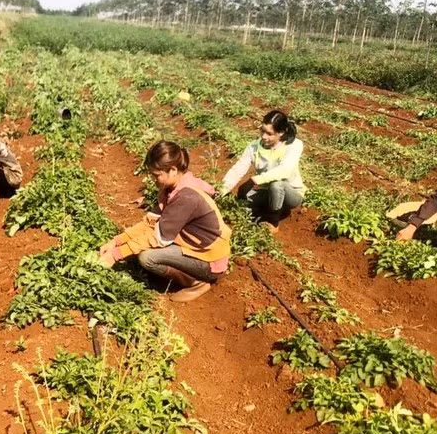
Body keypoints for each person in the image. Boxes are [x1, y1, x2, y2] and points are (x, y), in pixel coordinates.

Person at [99, 141, 232, 302]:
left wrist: (117, 255)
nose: (153, 179)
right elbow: (150, 222)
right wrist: (116, 241)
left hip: (210, 262)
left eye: (156, 175)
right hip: (193, 247)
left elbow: (159, 237)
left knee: (147, 257)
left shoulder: (186, 197)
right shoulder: (171, 189)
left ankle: (196, 283)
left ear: (173, 170)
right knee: (143, 250)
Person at [221, 110, 305, 233]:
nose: (264, 136)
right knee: (239, 202)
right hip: (267, 192)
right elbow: (238, 169)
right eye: (262, 131)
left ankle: (273, 222)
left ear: (281, 133)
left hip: (291, 194)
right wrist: (222, 190)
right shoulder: (254, 147)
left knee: (277, 185)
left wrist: (255, 179)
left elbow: (284, 171)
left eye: (269, 133)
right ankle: (265, 208)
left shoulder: (294, 145)